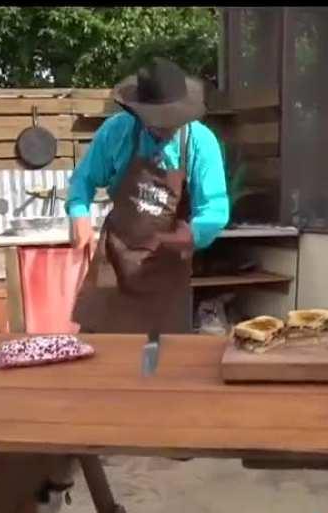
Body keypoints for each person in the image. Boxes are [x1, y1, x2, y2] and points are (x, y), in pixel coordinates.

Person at [66, 57, 229, 334]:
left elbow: (215, 207)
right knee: (101, 350)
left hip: (166, 270)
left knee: (160, 355)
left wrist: (195, 233)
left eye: (171, 120)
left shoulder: (201, 143)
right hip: (114, 265)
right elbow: (83, 180)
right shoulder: (116, 132)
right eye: (156, 121)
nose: (163, 128)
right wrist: (78, 213)